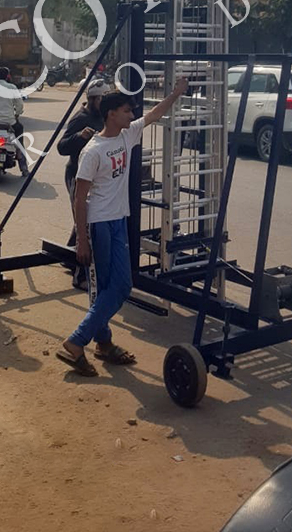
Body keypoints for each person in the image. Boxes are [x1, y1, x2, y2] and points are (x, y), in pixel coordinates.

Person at [58, 77, 189, 377]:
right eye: (127, 111)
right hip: (99, 224)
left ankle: (98, 343)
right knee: (112, 287)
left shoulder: (127, 135)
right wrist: (82, 240)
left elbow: (154, 114)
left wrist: (175, 94)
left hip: (119, 220)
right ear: (111, 114)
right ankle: (80, 341)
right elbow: (79, 198)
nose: (132, 115)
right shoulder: (92, 151)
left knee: (114, 286)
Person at [56, 77, 109, 289]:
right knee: (85, 223)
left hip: (95, 177)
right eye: (102, 100)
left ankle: (69, 256)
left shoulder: (103, 116)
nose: (104, 104)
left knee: (84, 220)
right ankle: (80, 276)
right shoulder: (81, 118)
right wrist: (80, 136)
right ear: (93, 99)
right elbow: (61, 147)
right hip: (77, 175)